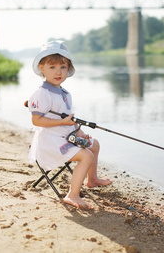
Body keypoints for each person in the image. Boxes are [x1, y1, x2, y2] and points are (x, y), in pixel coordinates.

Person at [27, 40, 112, 209]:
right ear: (42, 68)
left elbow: (70, 120)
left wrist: (79, 132)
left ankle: (92, 179)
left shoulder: (65, 94)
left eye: (63, 67)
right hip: (50, 143)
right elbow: (36, 120)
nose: (58, 72)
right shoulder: (41, 93)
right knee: (86, 156)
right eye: (52, 67)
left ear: (68, 69)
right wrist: (63, 122)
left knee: (94, 145)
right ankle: (72, 195)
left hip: (65, 136)